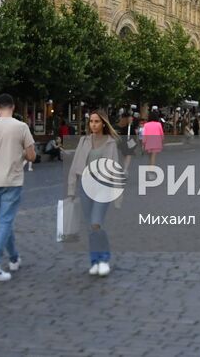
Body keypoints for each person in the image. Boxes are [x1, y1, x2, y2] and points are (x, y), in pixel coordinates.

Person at [0, 93, 36, 281]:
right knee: (5, 221)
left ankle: (14, 258)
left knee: (5, 220)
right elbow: (31, 156)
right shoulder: (21, 127)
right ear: (13, 107)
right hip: (12, 179)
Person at [66, 110, 126, 275]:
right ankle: (94, 260)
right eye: (91, 121)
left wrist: (118, 195)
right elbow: (74, 167)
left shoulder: (111, 143)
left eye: (97, 121)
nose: (93, 124)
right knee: (90, 227)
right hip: (85, 188)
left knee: (96, 223)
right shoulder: (84, 141)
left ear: (103, 124)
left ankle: (104, 259)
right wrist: (71, 191)